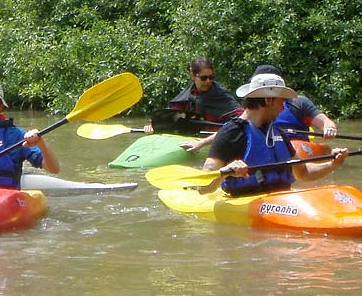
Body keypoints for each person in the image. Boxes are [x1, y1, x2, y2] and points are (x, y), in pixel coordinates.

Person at [202, 73, 347, 197]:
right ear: (268, 100)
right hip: (247, 201)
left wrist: (333, 163)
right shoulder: (231, 133)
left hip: (280, 200)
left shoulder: (276, 132)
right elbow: (203, 187)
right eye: (282, 101)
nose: (284, 107)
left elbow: (303, 172)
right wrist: (226, 172)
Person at [182, 63, 339, 153]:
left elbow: (325, 122)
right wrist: (201, 143)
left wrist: (329, 127)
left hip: (296, 146)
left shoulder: (299, 103)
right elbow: (233, 130)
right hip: (268, 147)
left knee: (320, 150)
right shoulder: (252, 111)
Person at [147, 57, 242, 138]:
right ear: (193, 76)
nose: (208, 81)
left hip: (214, 137)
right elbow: (171, 116)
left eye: (211, 77)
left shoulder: (221, 94)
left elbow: (241, 117)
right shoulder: (187, 95)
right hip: (191, 136)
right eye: (203, 78)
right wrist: (154, 125)